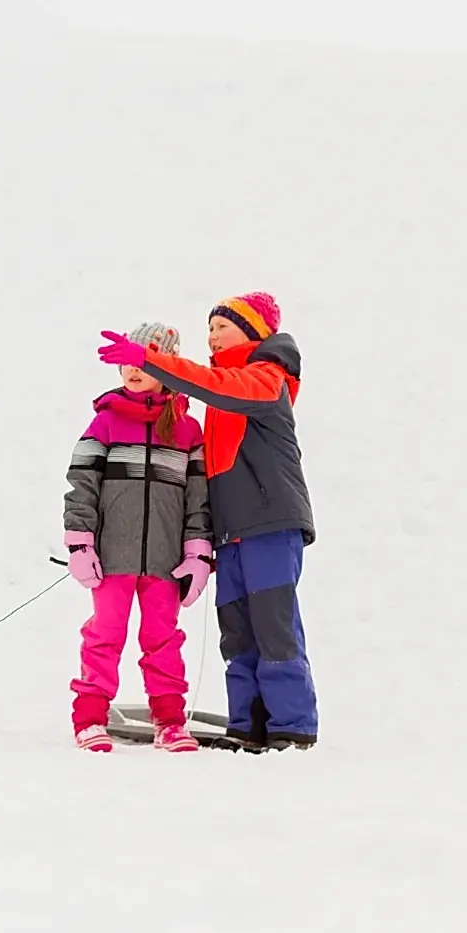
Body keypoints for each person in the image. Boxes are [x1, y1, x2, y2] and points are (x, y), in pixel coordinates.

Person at [96, 292, 318, 750]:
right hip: (230, 532)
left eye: (222, 326)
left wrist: (152, 362)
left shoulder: (265, 377)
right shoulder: (221, 386)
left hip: (269, 523)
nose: (212, 335)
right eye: (210, 328)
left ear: (255, 331)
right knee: (237, 630)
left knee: (273, 624)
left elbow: (210, 384)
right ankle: (248, 724)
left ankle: (291, 725)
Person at [64, 323, 213, 753]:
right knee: (104, 635)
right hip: (113, 557)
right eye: (127, 362)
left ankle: (169, 721)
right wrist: (80, 542)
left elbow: (198, 498)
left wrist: (198, 550)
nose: (133, 370)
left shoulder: (187, 431)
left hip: (166, 561)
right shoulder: (106, 422)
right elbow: (81, 485)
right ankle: (90, 719)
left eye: (143, 362)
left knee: (163, 639)